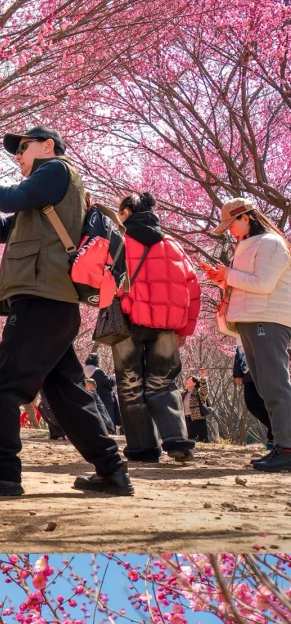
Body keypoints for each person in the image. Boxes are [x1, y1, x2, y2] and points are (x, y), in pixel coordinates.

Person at [0, 124, 132, 497]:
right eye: (14, 151)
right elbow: (2, 229)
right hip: (52, 302)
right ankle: (112, 470)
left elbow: (8, 199)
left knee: (3, 384)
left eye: (23, 147)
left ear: (48, 145)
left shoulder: (56, 170)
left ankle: (3, 472)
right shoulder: (42, 195)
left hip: (42, 299)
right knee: (67, 394)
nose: (17, 155)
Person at [109, 191, 199, 465]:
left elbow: (105, 281)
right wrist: (185, 329)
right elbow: (192, 288)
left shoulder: (118, 243)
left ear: (126, 213)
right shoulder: (173, 245)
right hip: (165, 327)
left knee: (130, 385)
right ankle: (176, 442)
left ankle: (143, 448)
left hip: (128, 324)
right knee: (164, 383)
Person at [204, 199, 291, 471]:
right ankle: (281, 445)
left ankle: (287, 447)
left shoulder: (270, 243)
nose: (230, 230)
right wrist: (223, 279)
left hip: (268, 319)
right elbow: (246, 283)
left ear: (247, 217)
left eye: (232, 223)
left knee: (275, 385)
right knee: (266, 386)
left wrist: (228, 275)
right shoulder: (250, 244)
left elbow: (263, 283)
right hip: (252, 319)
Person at [233, 343, 272, 447]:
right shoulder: (241, 331)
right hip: (248, 373)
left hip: (269, 370)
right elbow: (239, 348)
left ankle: (276, 437)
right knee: (252, 403)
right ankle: (275, 432)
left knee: (273, 404)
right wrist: (237, 372)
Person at [84, 353, 120, 431]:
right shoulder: (98, 371)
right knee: (109, 417)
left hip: (93, 397)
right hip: (105, 398)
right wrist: (114, 375)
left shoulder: (84, 372)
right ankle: (111, 431)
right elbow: (110, 382)